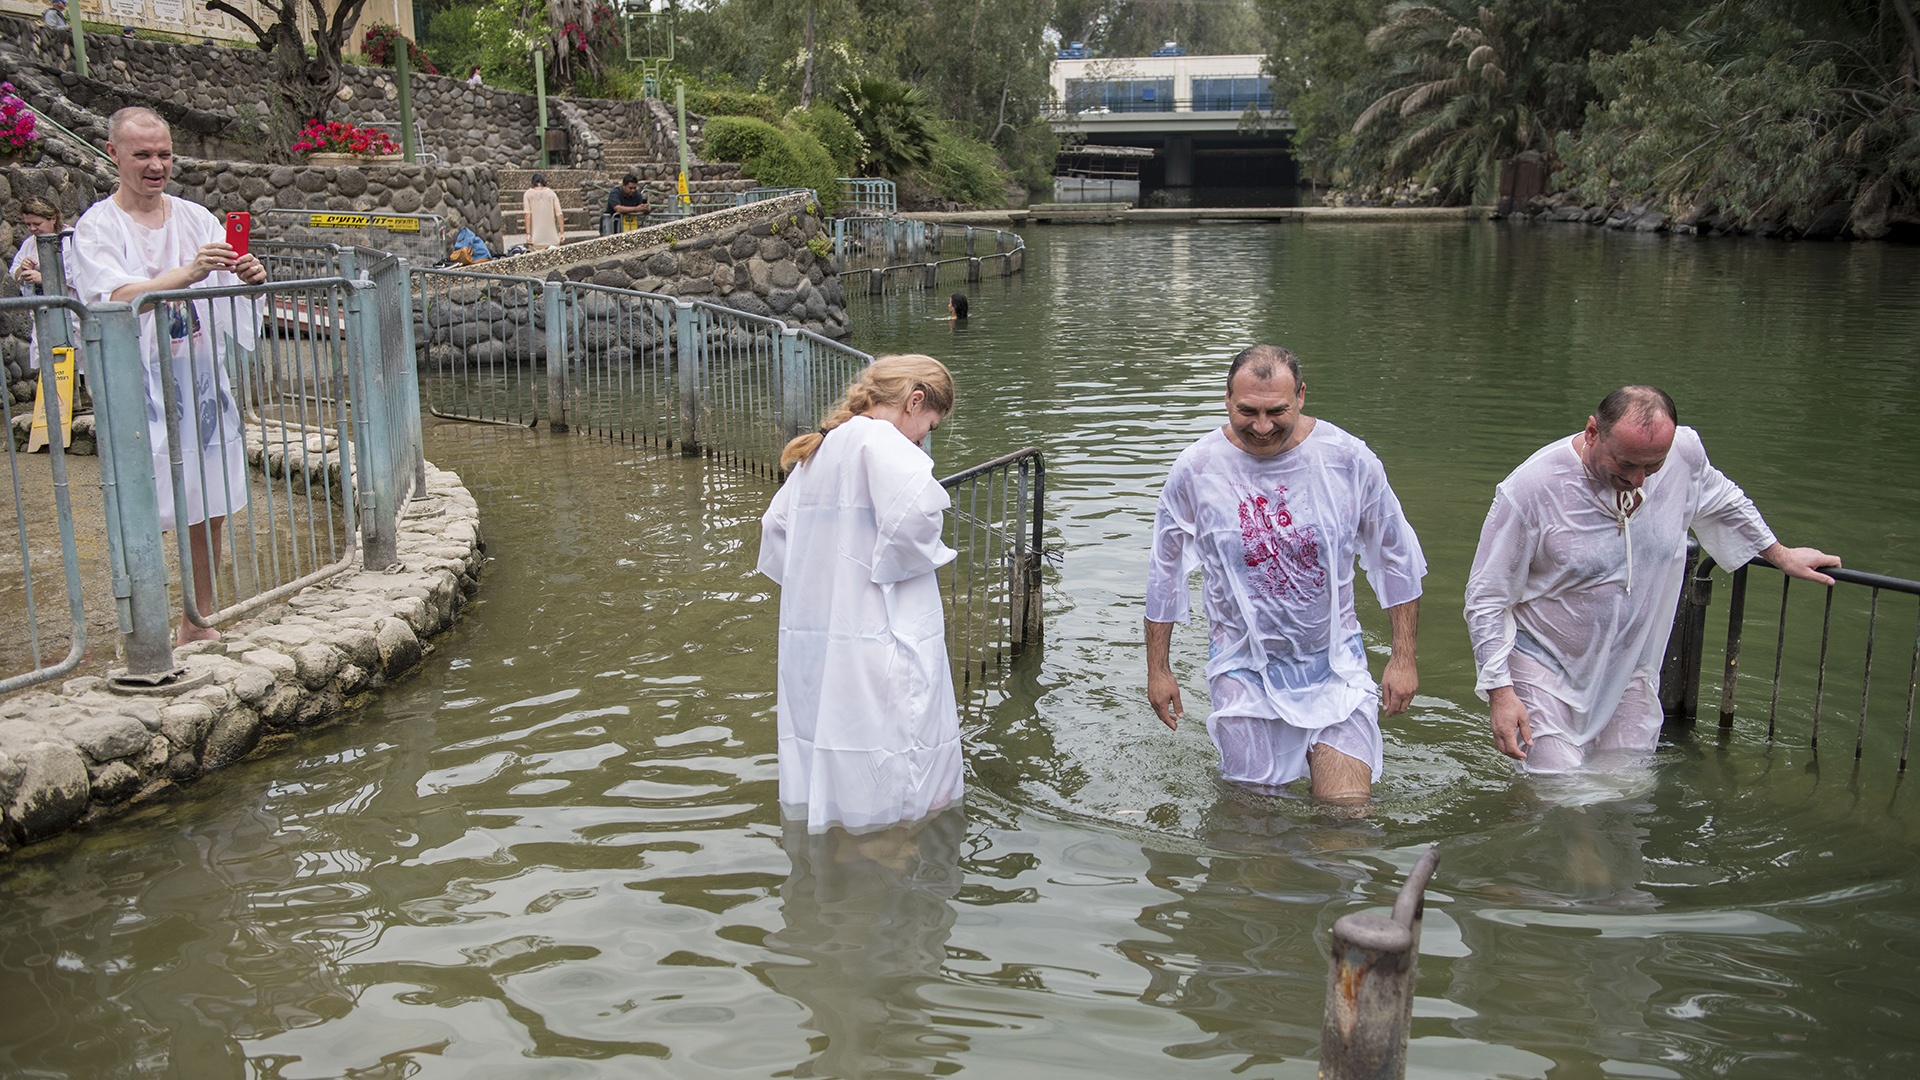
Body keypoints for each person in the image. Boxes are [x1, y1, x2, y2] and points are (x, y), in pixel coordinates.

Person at [1464, 385, 1841, 773]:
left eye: (1653, 466)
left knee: (1627, 785)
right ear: (1593, 432)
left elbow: (1720, 499)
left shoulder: (1684, 453)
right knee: (1558, 791)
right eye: (1625, 464)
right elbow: (1486, 598)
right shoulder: (1530, 489)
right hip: (1543, 665)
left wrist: (1779, 554)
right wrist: (1500, 692)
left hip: (1629, 665)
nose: (1639, 479)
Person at [1145, 345, 1426, 803]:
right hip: (1242, 664)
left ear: (1301, 396)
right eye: (1247, 411)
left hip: (1335, 661)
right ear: (1226, 400)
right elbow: (1164, 572)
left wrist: (1404, 656)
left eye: (1276, 411)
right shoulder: (1196, 469)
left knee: (1346, 814)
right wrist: (1158, 669)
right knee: (1255, 828)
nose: (1261, 427)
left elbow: (1397, 558)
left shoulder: (1347, 459)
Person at [71, 106, 265, 646]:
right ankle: (145, 630)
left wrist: (249, 277)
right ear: (114, 155)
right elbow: (113, 297)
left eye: (164, 154)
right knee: (142, 502)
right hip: (140, 388)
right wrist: (188, 272)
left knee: (212, 501)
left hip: (200, 382)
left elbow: (226, 286)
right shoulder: (97, 227)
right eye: (143, 155)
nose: (156, 166)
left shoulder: (195, 217)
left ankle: (197, 619)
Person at [756, 355, 962, 834]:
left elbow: (776, 526)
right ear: (914, 402)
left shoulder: (823, 448)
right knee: (892, 741)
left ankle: (844, 840)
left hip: (828, 636)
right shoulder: (880, 441)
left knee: (833, 731)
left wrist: (822, 584)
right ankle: (890, 840)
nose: (923, 439)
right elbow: (919, 517)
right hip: (879, 632)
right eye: (927, 427)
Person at [10, 196, 82, 379]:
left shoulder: (72, 238)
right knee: (49, 358)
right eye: (28, 225)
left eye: (37, 223)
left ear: (53, 219)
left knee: (78, 356)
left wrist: (44, 278)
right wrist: (22, 269)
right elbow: (14, 271)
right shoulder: (30, 243)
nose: (32, 229)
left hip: (72, 310)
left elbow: (79, 273)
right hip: (44, 313)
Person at [520, 172, 565, 251]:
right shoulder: (551, 193)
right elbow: (559, 214)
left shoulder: (528, 194)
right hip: (552, 239)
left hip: (535, 240)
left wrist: (528, 234)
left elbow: (527, 214)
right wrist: (561, 233)